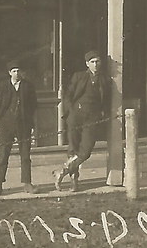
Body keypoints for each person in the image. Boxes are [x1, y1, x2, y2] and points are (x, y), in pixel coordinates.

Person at [54, 50, 111, 192]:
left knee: (85, 151)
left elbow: (106, 100)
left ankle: (62, 171)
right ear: (87, 64)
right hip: (75, 117)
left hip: (92, 119)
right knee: (73, 150)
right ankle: (74, 182)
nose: (95, 64)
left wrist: (103, 114)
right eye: (92, 62)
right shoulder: (79, 77)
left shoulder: (104, 79)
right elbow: (68, 95)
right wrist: (70, 111)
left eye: (97, 61)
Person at [0, 62, 37, 195]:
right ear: (9, 73)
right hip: (7, 125)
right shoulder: (3, 86)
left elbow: (33, 104)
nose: (17, 73)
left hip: (23, 125)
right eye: (14, 71)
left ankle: (27, 184)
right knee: (4, 155)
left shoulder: (28, 86)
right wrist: (2, 119)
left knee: (25, 155)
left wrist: (29, 121)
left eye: (18, 71)